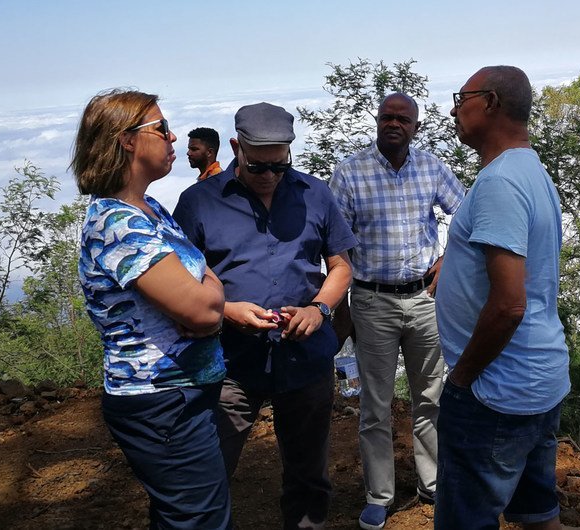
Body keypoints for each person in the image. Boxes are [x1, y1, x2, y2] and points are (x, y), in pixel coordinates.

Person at [172, 102, 357, 530]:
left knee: (309, 472)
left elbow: (341, 265)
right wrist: (226, 310)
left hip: (304, 357)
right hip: (229, 363)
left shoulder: (315, 193)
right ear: (236, 147)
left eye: (280, 165)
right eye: (259, 167)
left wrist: (319, 308)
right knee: (208, 468)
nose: (271, 176)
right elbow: (182, 280)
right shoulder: (199, 203)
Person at [72, 88, 231, 529]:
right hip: (160, 403)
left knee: (183, 517)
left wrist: (207, 293)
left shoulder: (148, 209)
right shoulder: (119, 224)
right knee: (200, 522)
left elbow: (202, 287)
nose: (173, 136)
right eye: (160, 128)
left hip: (178, 396)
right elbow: (201, 310)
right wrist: (209, 296)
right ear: (126, 140)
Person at [433, 66, 571, 530]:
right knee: (538, 515)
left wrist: (462, 380)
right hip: (538, 380)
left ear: (489, 102)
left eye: (462, 97)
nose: (455, 108)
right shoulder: (529, 169)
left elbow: (510, 303)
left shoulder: (498, 183)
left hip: (497, 392)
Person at [329, 93, 464, 529]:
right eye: (387, 116)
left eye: (403, 119)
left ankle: (433, 484)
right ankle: (379, 495)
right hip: (372, 300)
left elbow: (464, 213)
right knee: (375, 404)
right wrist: (340, 305)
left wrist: (447, 260)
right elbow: (335, 243)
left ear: (415, 127)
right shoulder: (350, 173)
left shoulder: (431, 167)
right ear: (377, 121)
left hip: (425, 300)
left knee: (431, 398)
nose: (394, 124)